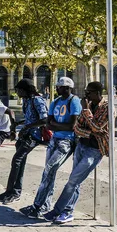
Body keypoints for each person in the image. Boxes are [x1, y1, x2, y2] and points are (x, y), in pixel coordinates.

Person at [43, 82, 110, 224]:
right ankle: (68, 212)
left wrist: (86, 112)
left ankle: (57, 210)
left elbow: (98, 128)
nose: (86, 95)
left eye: (89, 92)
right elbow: (77, 128)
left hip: (95, 150)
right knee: (76, 182)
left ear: (98, 93)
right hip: (81, 146)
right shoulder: (88, 106)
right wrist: (89, 132)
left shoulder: (107, 108)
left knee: (73, 180)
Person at [19, 77, 82, 218]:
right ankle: (43, 204)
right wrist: (58, 126)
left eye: (59, 86)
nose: (56, 88)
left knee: (50, 169)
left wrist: (56, 125)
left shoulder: (74, 101)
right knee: (47, 172)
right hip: (55, 139)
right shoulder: (55, 102)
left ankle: (38, 206)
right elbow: (48, 123)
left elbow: (72, 126)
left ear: (67, 88)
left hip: (67, 141)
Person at [0, 78, 48, 204]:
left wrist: (27, 127)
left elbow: (44, 120)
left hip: (34, 136)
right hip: (24, 135)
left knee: (16, 160)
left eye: (18, 90)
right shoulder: (26, 100)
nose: (17, 93)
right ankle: (13, 191)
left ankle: (13, 192)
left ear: (25, 90)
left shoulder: (37, 100)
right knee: (20, 162)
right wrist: (18, 124)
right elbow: (30, 118)